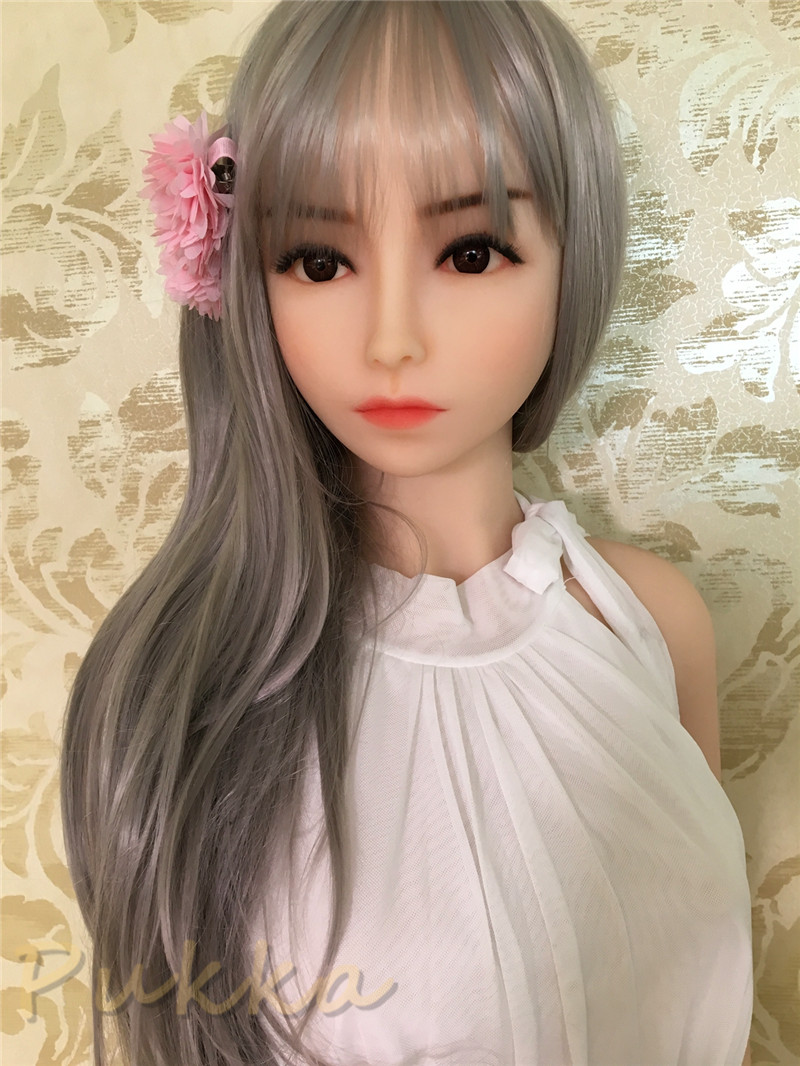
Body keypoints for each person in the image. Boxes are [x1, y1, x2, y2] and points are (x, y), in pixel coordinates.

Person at [59, 2, 754, 1064]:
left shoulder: (652, 622)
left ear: (571, 261)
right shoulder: (188, 686)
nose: (391, 338)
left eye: (470, 252)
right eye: (318, 260)